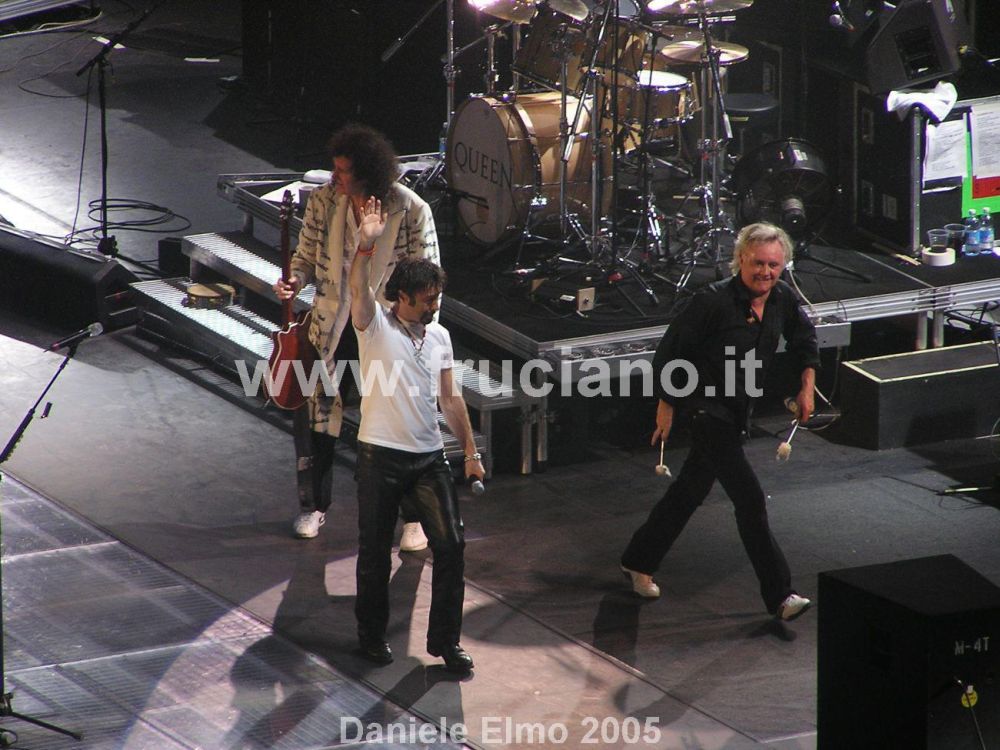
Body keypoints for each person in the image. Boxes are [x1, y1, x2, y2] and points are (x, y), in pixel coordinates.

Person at [620, 222, 819, 621]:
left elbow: (805, 339)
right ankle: (780, 596)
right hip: (704, 407)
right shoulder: (711, 302)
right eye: (758, 263)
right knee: (748, 499)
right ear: (741, 259)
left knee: (690, 491)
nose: (765, 272)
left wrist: (807, 386)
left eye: (774, 265)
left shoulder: (780, 297)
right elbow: (670, 354)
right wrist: (667, 404)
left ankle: (639, 558)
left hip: (737, 408)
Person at [273, 124, 437, 549]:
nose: (336, 177)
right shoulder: (325, 201)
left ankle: (412, 518)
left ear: (369, 174)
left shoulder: (410, 209)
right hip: (332, 326)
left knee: (394, 424)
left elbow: (429, 279)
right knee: (316, 419)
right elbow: (306, 254)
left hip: (387, 332)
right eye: (336, 168)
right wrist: (294, 279)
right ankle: (313, 505)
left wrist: (415, 335)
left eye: (345, 171)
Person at [348, 238, 483, 672]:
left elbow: (450, 397)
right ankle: (371, 636)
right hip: (380, 457)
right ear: (402, 297)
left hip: (428, 459)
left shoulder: (440, 336)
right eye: (427, 300)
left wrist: (470, 451)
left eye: (437, 298)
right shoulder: (374, 327)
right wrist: (365, 249)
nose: (433, 306)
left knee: (452, 545)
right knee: (374, 552)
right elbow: (357, 288)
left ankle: (445, 641)